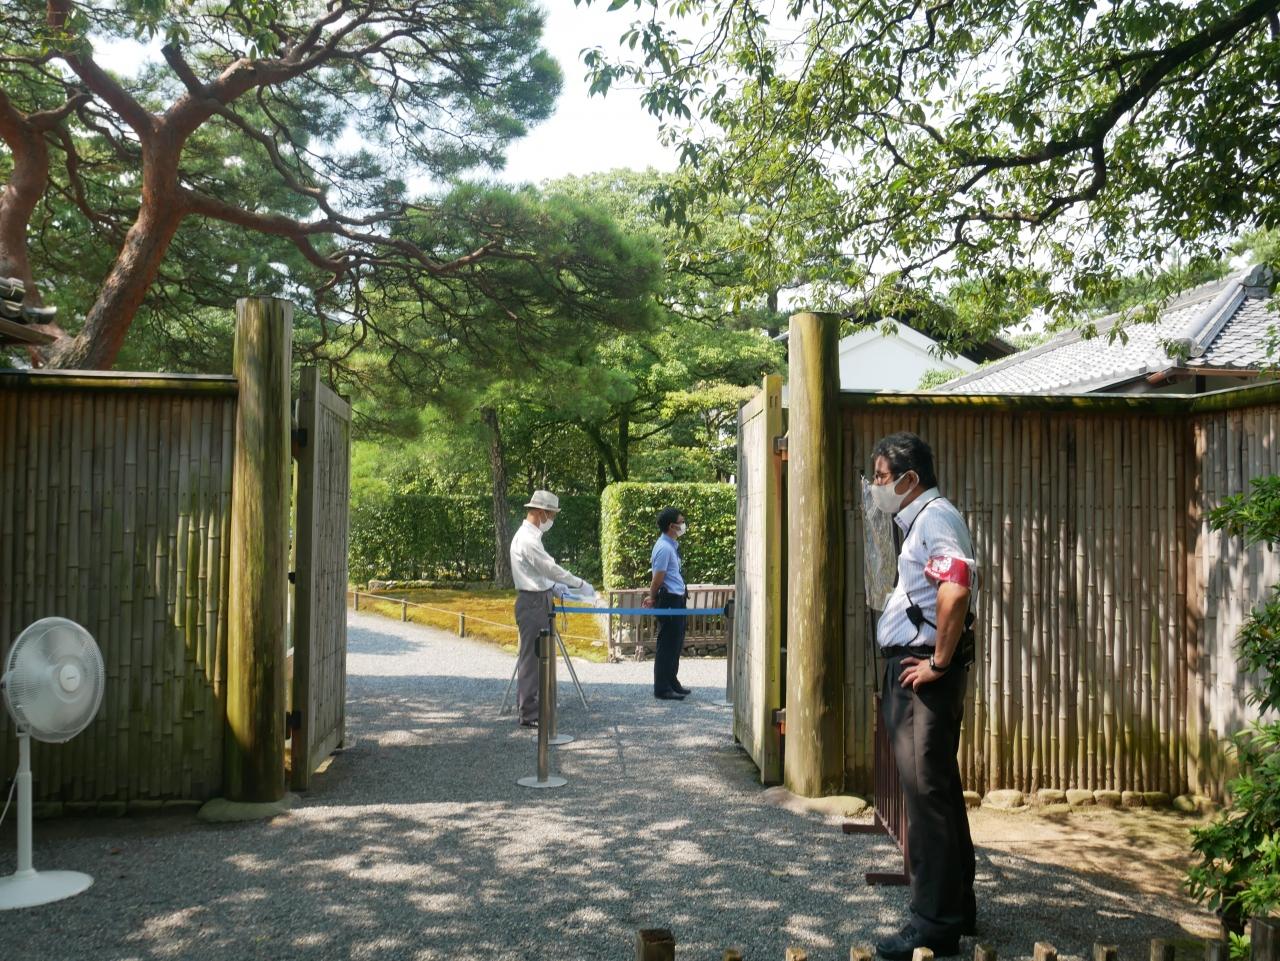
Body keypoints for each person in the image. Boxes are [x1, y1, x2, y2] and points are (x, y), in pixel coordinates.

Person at [869, 432, 978, 960]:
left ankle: (933, 924)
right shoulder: (925, 519)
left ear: (910, 479)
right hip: (920, 671)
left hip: (921, 674)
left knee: (926, 799)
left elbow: (955, 584)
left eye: (882, 478)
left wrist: (938, 661)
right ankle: (957, 907)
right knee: (939, 792)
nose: (876, 486)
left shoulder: (934, 517)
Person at [509, 490, 594, 728]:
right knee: (532, 660)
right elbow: (549, 568)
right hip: (533, 602)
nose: (552, 519)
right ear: (540, 512)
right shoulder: (528, 539)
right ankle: (529, 713)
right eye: (552, 514)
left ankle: (536, 705)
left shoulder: (531, 536)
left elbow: (538, 572)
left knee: (539, 658)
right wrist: (578, 583)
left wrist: (554, 587)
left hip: (538, 598)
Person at [642, 506, 689, 700]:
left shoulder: (671, 546)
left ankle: (671, 681)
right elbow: (658, 578)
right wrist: (652, 597)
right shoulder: (663, 548)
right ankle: (662, 687)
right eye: (681, 522)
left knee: (676, 642)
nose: (683, 525)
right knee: (667, 644)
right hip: (669, 599)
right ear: (671, 526)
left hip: (677, 598)